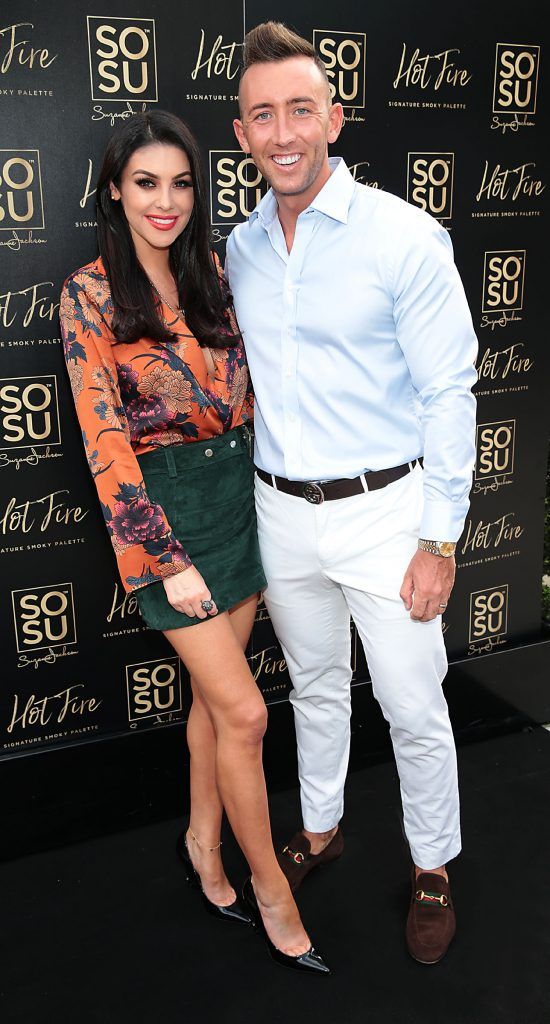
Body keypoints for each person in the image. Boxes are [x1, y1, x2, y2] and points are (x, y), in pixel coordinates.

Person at [226, 23, 478, 965]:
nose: (282, 130)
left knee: (414, 705)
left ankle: (433, 864)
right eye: (262, 114)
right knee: (316, 689)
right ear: (244, 134)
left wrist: (439, 539)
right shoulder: (241, 251)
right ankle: (322, 828)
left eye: (300, 108)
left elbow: (450, 391)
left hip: (387, 515)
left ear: (334, 117)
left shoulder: (404, 235)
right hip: (281, 514)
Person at [59, 110, 329, 975]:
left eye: (181, 182)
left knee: (215, 713)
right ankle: (272, 890)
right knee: (248, 713)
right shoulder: (88, 295)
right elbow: (104, 445)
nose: (165, 201)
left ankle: (202, 843)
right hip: (161, 525)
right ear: (114, 191)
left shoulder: (216, 275)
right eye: (146, 183)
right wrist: (164, 558)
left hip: (238, 505)